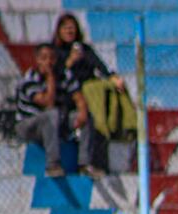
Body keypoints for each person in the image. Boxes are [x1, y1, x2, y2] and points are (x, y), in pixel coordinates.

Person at [15, 42, 100, 178]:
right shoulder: (29, 79)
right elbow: (47, 103)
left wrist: (83, 114)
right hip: (29, 125)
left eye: (51, 58)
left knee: (85, 116)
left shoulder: (64, 75)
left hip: (54, 122)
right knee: (51, 114)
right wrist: (50, 78)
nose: (48, 62)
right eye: (44, 58)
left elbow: (78, 97)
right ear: (37, 60)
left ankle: (85, 164)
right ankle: (53, 164)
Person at [52, 13, 135, 142]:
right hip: (70, 92)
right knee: (91, 90)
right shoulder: (55, 51)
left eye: (71, 27)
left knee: (115, 86)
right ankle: (102, 128)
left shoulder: (84, 49)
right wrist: (70, 61)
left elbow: (100, 67)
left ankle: (128, 124)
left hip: (90, 86)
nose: (69, 31)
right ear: (59, 31)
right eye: (65, 28)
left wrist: (113, 78)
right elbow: (56, 75)